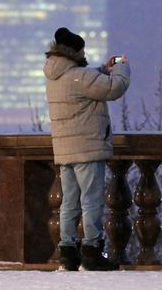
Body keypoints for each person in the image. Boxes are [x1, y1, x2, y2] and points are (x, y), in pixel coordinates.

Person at [43, 26, 131, 271]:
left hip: (64, 150)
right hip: (87, 148)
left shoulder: (56, 76)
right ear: (74, 52)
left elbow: (84, 80)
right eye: (82, 50)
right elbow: (115, 87)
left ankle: (67, 252)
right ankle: (91, 251)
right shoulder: (79, 78)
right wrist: (122, 65)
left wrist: (102, 70)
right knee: (91, 201)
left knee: (69, 202)